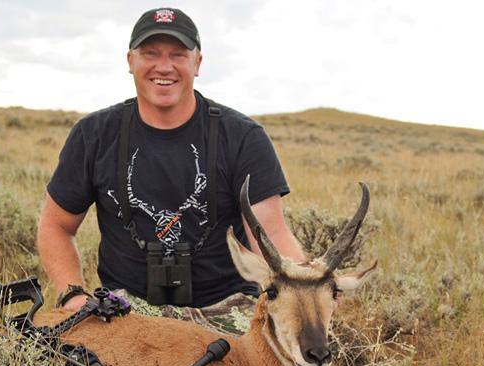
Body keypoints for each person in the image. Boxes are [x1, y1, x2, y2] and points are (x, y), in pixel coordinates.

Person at [38, 7, 304, 314]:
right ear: (130, 61)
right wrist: (74, 295)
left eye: (178, 55)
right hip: (124, 310)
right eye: (150, 53)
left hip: (228, 308)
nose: (164, 67)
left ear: (197, 62)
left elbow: (271, 233)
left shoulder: (243, 137)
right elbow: (56, 226)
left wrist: (308, 284)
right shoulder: (93, 135)